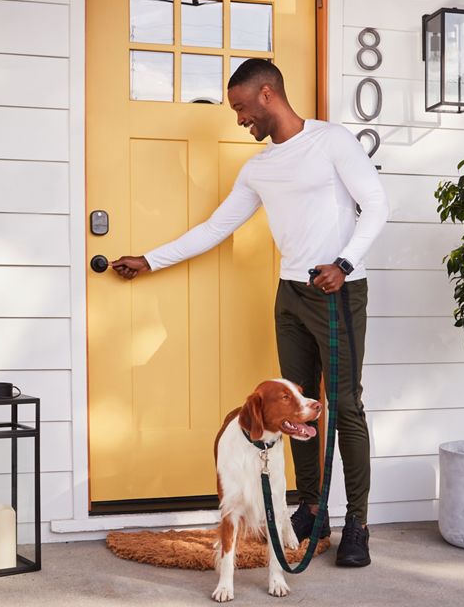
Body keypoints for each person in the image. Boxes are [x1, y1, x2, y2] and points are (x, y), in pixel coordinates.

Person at [111, 58, 388, 567]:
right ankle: (312, 509)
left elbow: (376, 205)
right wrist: (150, 259)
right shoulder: (258, 169)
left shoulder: (331, 141)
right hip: (290, 295)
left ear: (267, 94)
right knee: (293, 410)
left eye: (241, 107)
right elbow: (216, 227)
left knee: (346, 406)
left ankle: (358, 524)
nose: (239, 119)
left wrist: (345, 263)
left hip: (339, 291)